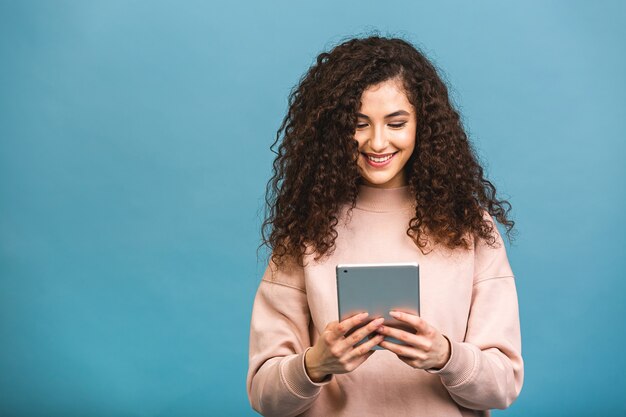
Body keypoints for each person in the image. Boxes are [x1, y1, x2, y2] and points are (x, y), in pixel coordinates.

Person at [246, 34, 524, 417]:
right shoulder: (307, 228)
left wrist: (446, 356)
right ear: (334, 130)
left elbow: (503, 386)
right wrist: (315, 365)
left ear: (422, 125)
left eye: (396, 123)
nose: (378, 143)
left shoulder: (471, 227)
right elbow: (265, 395)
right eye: (359, 124)